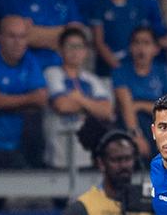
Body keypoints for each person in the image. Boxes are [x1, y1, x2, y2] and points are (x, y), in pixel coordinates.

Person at [0, 14, 47, 169]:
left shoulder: (30, 59)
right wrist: (27, 100)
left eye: (22, 37)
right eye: (12, 36)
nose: (17, 42)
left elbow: (40, 99)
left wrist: (2, 101)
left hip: (19, 146)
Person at [43, 27, 115, 170]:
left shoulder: (92, 80)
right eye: (70, 46)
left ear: (86, 51)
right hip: (58, 157)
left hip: (86, 157)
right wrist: (92, 105)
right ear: (60, 49)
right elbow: (62, 105)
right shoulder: (52, 74)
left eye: (80, 46)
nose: (75, 51)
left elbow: (107, 111)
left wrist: (79, 98)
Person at [113, 26, 167, 159]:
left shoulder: (162, 71)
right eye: (137, 43)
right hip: (132, 126)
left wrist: (140, 105)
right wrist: (136, 135)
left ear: (156, 49)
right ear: (130, 47)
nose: (141, 48)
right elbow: (126, 105)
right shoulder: (121, 71)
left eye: (146, 43)